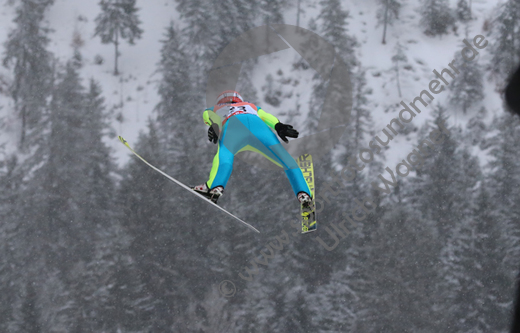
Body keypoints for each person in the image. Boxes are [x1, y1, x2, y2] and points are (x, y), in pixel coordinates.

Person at [191, 90, 313, 209]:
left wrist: (215, 126)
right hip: (260, 129)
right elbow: (267, 117)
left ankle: (215, 187)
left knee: (224, 158)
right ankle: (304, 193)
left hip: (234, 127)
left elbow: (211, 118)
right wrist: (278, 126)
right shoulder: (251, 106)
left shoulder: (214, 109)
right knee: (287, 161)